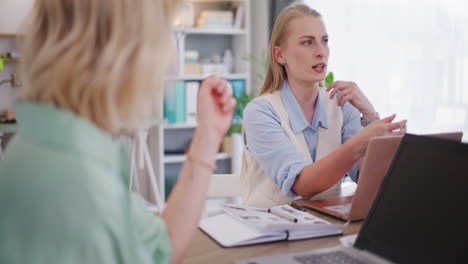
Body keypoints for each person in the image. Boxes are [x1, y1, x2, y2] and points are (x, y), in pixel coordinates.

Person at [0, 0, 235, 263]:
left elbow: (160, 247)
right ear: (121, 53)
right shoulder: (84, 190)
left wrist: (208, 134)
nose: (171, 58)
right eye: (162, 36)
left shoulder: (39, 145)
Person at [240, 3, 406, 208]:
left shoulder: (342, 105)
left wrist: (369, 115)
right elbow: (303, 186)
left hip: (326, 227)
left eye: (324, 41)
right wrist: (363, 138)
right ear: (279, 55)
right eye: (308, 42)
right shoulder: (260, 112)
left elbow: (368, 180)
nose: (321, 52)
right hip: (266, 230)